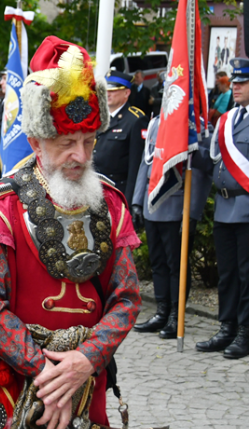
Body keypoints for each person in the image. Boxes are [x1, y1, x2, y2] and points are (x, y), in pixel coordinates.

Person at [0, 36, 146, 429]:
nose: (79, 155)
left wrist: (82, 363)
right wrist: (47, 376)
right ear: (35, 141)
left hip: (86, 384)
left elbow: (126, 298)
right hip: (15, 390)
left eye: (88, 141)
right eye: (65, 143)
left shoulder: (110, 205)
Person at [131, 115, 211, 338]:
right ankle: (162, 311)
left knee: (176, 265)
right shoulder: (156, 121)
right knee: (158, 263)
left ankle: (176, 316)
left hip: (176, 205)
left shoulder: (194, 122)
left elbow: (201, 173)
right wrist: (138, 201)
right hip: (152, 202)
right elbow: (145, 161)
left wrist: (192, 213)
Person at [200, 58, 249, 359]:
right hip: (224, 206)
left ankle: (245, 331)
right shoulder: (227, 120)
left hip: (246, 208)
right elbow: (212, 163)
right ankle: (227, 327)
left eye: (243, 83)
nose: (236, 87)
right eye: (235, 82)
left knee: (246, 275)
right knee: (227, 273)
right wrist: (193, 145)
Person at [92, 70, 148, 202]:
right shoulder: (97, 117)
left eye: (113, 90)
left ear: (126, 93)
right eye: (105, 90)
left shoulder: (135, 120)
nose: (107, 94)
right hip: (93, 188)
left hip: (117, 191)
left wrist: (129, 201)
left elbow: (136, 167)